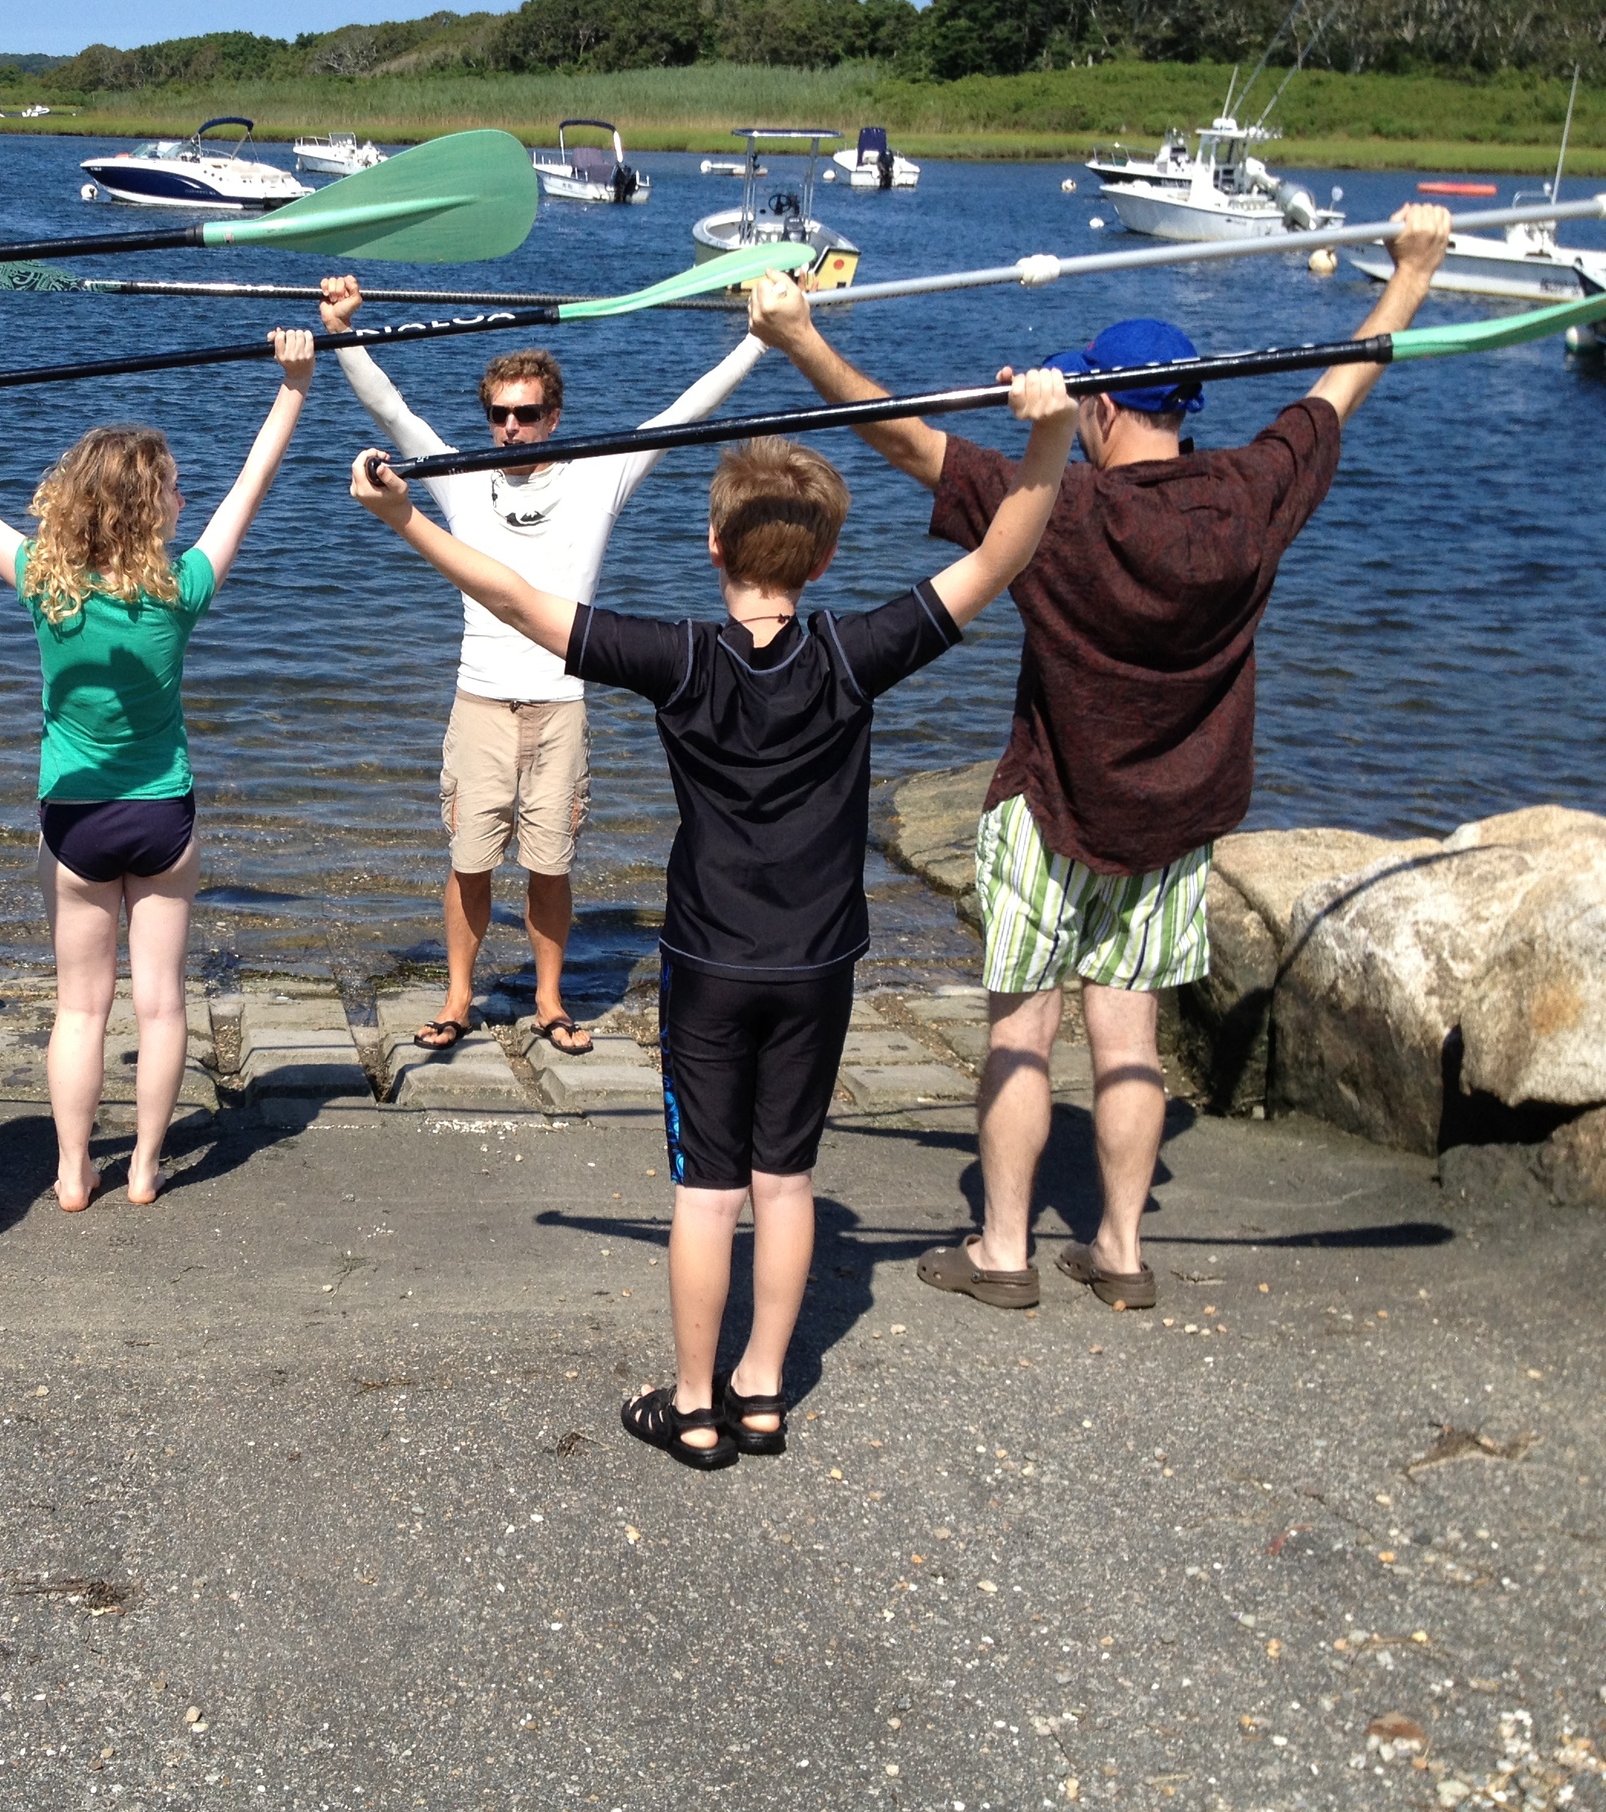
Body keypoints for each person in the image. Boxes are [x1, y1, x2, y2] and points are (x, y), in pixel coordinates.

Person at [348, 278, 1080, 1469]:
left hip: (707, 963)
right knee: (785, 1184)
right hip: (817, 963)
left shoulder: (677, 659)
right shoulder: (859, 651)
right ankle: (762, 1392)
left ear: (712, 544)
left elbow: (520, 602)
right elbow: (1003, 551)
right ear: (829, 553)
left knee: (706, 1188)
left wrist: (407, 525)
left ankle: (694, 1406)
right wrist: (1048, 432)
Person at [746, 206, 1456, 1314]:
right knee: (1130, 1038)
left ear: (1108, 405)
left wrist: (796, 340)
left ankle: (1003, 1252)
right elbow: (1337, 386)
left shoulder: (1058, 508)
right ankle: (1120, 1250)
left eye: (1085, 398)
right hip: (1174, 819)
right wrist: (1409, 277)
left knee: (1022, 1031)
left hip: (1050, 811)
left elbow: (895, 436)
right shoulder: (1251, 498)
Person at [0, 329, 316, 1213]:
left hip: (75, 823)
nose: (187, 496)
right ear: (151, 508)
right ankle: (147, 1167)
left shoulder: (44, 580)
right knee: (160, 1005)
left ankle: (75, 1170)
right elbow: (253, 483)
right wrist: (295, 385)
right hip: (164, 818)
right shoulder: (182, 586)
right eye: (174, 488)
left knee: (80, 1009)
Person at [317, 274, 780, 1058]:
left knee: (550, 866)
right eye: (497, 415)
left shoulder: (599, 476)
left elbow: (684, 413)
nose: (510, 428)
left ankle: (549, 1000)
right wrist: (342, 331)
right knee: (467, 863)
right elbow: (392, 410)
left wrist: (761, 341)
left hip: (560, 707)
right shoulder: (462, 479)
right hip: (480, 705)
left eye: (526, 414)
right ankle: (459, 1000)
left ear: (553, 416)